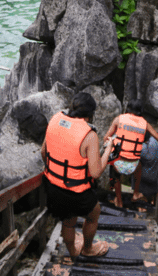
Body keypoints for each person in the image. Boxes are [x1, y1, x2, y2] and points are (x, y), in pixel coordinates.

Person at [41, 92, 113, 260]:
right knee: (94, 213)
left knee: (68, 219)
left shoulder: (55, 119)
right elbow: (95, 173)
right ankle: (87, 249)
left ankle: (73, 251)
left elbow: (44, 152)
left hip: (52, 186)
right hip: (76, 191)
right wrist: (108, 149)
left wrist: (56, 172)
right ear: (90, 114)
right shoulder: (89, 134)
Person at [103, 100, 158, 208]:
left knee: (114, 170)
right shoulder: (145, 123)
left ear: (128, 108)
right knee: (139, 166)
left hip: (117, 165)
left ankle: (119, 200)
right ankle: (135, 194)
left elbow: (105, 138)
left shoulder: (118, 119)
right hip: (133, 166)